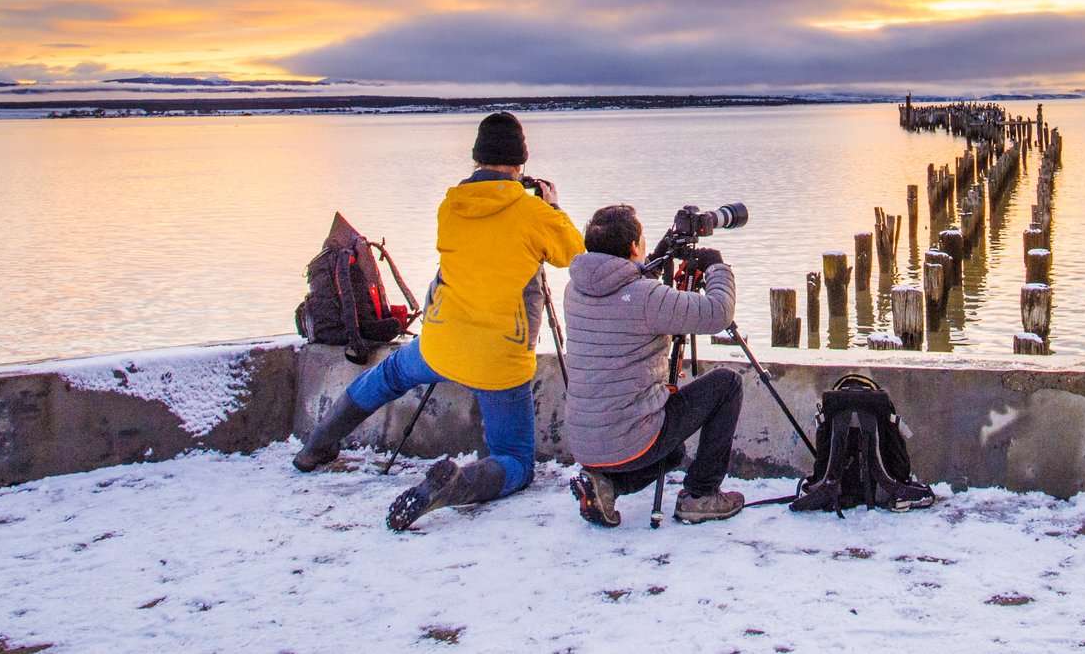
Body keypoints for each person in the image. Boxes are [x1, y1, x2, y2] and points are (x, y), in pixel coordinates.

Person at [292, 111, 584, 531]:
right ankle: (457, 486)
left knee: (389, 374)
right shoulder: (531, 213)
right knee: (515, 461)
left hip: (441, 343)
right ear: (521, 161)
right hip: (498, 359)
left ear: (477, 157)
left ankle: (317, 445)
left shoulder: (451, 206)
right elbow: (572, 252)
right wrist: (551, 205)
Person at [562, 204, 745, 526]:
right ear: (634, 247)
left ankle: (606, 485)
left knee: (672, 453)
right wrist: (717, 267)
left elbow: (625, 291)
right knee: (727, 383)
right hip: (632, 439)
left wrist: (662, 252)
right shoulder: (646, 298)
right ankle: (701, 496)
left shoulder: (575, 289)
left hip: (585, 443)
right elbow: (718, 312)